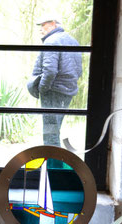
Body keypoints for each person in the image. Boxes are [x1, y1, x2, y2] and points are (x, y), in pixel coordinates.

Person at [28, 16, 82, 147]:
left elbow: (50, 71)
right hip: (67, 92)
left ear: (53, 24)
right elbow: (79, 70)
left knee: (50, 133)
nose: (41, 29)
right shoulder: (73, 41)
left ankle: (53, 159)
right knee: (55, 128)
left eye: (43, 25)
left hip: (53, 91)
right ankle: (55, 158)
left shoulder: (51, 41)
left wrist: (42, 89)